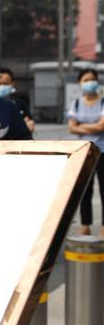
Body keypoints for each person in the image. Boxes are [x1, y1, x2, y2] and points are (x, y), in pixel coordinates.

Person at [67, 68, 104, 236]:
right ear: (80, 83)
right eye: (86, 79)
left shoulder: (103, 102)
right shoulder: (76, 103)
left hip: (102, 151)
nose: (89, 82)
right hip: (84, 152)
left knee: (103, 189)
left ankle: (103, 225)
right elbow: (71, 128)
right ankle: (85, 224)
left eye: (92, 79)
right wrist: (94, 127)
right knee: (85, 189)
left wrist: (81, 127)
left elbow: (102, 126)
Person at [0, 66, 36, 133]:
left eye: (5, 84)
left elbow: (29, 124)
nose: (1, 86)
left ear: (13, 84)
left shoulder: (21, 104)